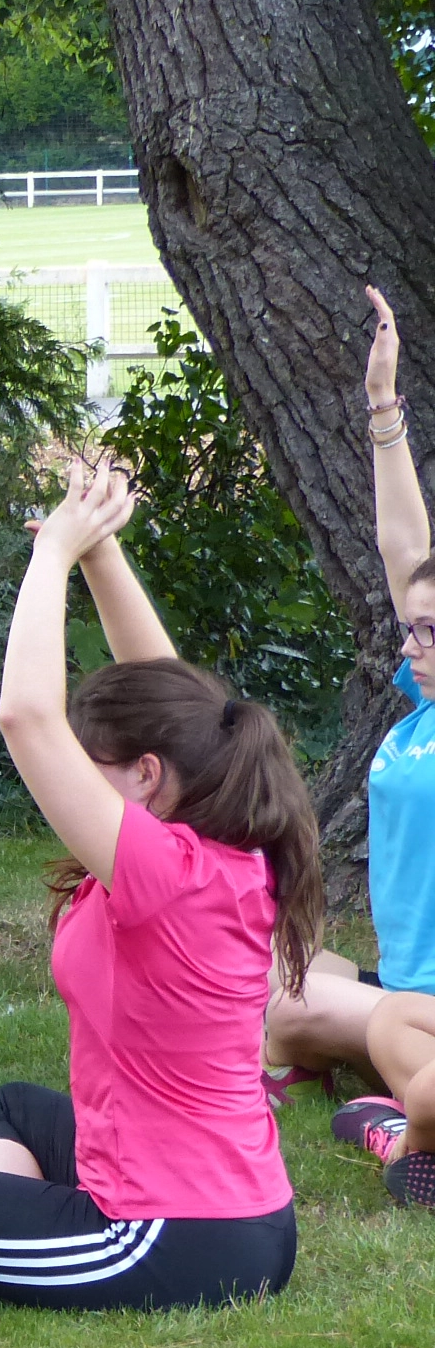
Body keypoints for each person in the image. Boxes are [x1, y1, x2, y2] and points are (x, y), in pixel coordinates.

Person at [0, 462, 316, 1309]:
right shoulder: (229, 845)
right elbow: (180, 708)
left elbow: (25, 718)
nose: (75, 784)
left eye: (95, 768)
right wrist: (100, 554)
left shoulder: (165, 870)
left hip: (172, 1239)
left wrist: (52, 553)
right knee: (12, 1109)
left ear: (145, 777)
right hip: (250, 1217)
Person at [265, 288, 435, 1206]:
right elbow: (406, 558)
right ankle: (386, 1086)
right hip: (401, 993)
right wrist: (382, 412)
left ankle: (396, 1121)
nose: (409, 644)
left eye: (427, 634)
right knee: (277, 981)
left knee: (289, 1012)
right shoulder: (419, 712)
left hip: (422, 1009)